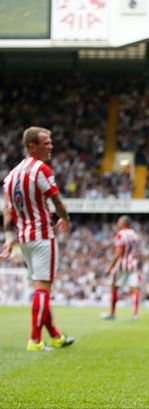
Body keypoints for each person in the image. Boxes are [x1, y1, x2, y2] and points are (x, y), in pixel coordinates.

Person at [0, 126, 75, 351]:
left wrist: (8, 238)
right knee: (43, 287)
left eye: (50, 142)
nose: (50, 146)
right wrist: (65, 218)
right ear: (32, 146)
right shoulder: (40, 169)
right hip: (43, 235)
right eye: (46, 143)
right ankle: (35, 340)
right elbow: (57, 201)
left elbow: (7, 210)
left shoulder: (11, 175)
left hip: (24, 239)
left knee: (40, 285)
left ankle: (55, 335)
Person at [100, 215, 140, 321]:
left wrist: (110, 267)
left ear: (123, 223)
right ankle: (135, 314)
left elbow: (119, 253)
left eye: (119, 222)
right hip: (132, 264)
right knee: (134, 288)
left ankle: (112, 313)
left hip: (121, 265)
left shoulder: (120, 235)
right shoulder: (134, 234)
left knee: (114, 287)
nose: (117, 224)